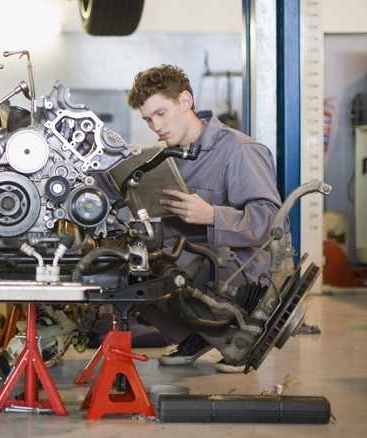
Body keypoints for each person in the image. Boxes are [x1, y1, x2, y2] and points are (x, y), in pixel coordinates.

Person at [110, 64, 284, 373]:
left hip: (238, 272)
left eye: (161, 113)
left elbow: (272, 222)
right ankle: (195, 335)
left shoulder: (240, 150)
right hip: (191, 262)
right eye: (149, 119)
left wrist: (211, 215)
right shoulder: (164, 155)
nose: (156, 126)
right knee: (126, 270)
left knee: (163, 273)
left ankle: (235, 340)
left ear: (185, 101)